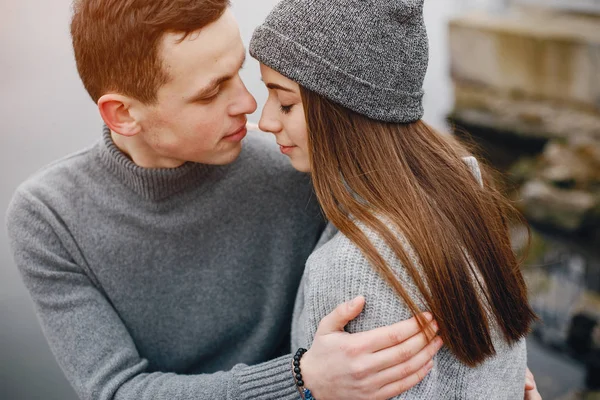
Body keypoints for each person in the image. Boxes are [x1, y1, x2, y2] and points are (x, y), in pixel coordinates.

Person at [5, 1, 443, 399]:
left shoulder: (296, 164)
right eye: (211, 92)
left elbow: (426, 201)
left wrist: (494, 376)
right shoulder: (48, 216)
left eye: (240, 72)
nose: (249, 104)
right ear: (123, 114)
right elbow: (117, 391)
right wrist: (300, 378)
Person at [250, 0, 541, 398]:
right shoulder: (465, 192)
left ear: (345, 110)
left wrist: (305, 390)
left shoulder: (350, 270)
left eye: (285, 103)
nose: (265, 121)